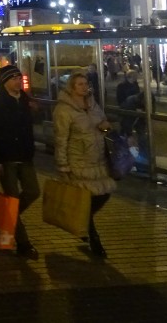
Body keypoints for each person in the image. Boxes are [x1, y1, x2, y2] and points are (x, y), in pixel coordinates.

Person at [53, 70, 116, 258]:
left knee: (104, 193)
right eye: (79, 84)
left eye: (85, 83)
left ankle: (83, 223)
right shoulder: (63, 110)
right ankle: (94, 239)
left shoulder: (93, 104)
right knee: (84, 200)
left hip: (97, 159)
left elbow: (104, 122)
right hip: (78, 160)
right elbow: (61, 139)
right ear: (71, 87)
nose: (84, 87)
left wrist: (105, 127)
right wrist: (63, 165)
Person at [0, 65, 41, 260]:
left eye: (19, 77)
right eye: (15, 78)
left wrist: (36, 110)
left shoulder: (24, 100)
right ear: (5, 81)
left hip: (24, 155)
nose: (19, 81)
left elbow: (35, 124)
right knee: (12, 199)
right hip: (6, 158)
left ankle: (7, 217)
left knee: (33, 191)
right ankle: (24, 244)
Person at [115, 70, 143, 135]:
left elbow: (138, 96)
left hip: (134, 106)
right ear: (131, 76)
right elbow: (120, 99)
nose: (137, 77)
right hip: (126, 106)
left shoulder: (135, 84)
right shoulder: (122, 86)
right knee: (127, 124)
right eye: (135, 76)